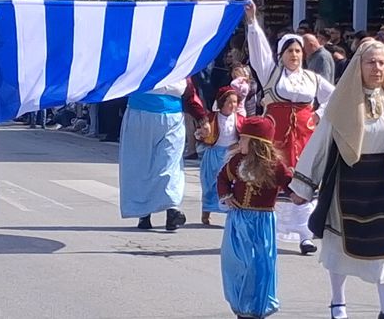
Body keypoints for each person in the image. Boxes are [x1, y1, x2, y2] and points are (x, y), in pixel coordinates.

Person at [289, 40, 384, 319]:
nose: (377, 68)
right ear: (358, 66)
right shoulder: (341, 103)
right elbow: (320, 144)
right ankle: (338, 303)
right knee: (340, 245)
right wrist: (303, 185)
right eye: (371, 62)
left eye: (382, 62)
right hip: (347, 183)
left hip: (383, 184)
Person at [244, 1, 335, 255]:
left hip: (304, 138)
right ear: (281, 54)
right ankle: (270, 232)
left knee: (304, 182)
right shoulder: (271, 74)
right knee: (274, 182)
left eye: (298, 51)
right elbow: (259, 51)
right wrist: (252, 22)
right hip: (277, 139)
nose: (294, 55)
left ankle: (306, 236)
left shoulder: (312, 78)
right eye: (290, 51)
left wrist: (318, 114)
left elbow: (335, 97)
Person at [217, 116, 299, 319]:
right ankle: (241, 305)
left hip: (262, 222)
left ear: (255, 143)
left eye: (243, 139)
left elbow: (288, 182)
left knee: (258, 264)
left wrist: (296, 195)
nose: (239, 143)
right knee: (237, 262)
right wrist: (226, 195)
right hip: (239, 221)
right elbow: (223, 178)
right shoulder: (237, 161)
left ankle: (255, 307)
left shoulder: (275, 166)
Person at [119, 78, 207, 230]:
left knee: (169, 163)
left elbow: (190, 93)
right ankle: (144, 213)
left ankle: (172, 210)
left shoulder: (180, 67)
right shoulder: (140, 64)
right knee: (142, 166)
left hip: (172, 118)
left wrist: (202, 118)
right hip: (139, 115)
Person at [195, 86, 245, 225]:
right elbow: (199, 134)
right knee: (210, 184)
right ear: (222, 102)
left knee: (230, 183)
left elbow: (245, 136)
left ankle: (230, 210)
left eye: (235, 102)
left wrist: (238, 146)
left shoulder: (240, 119)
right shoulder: (211, 118)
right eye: (229, 102)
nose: (232, 105)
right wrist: (201, 134)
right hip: (214, 154)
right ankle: (206, 210)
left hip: (230, 155)